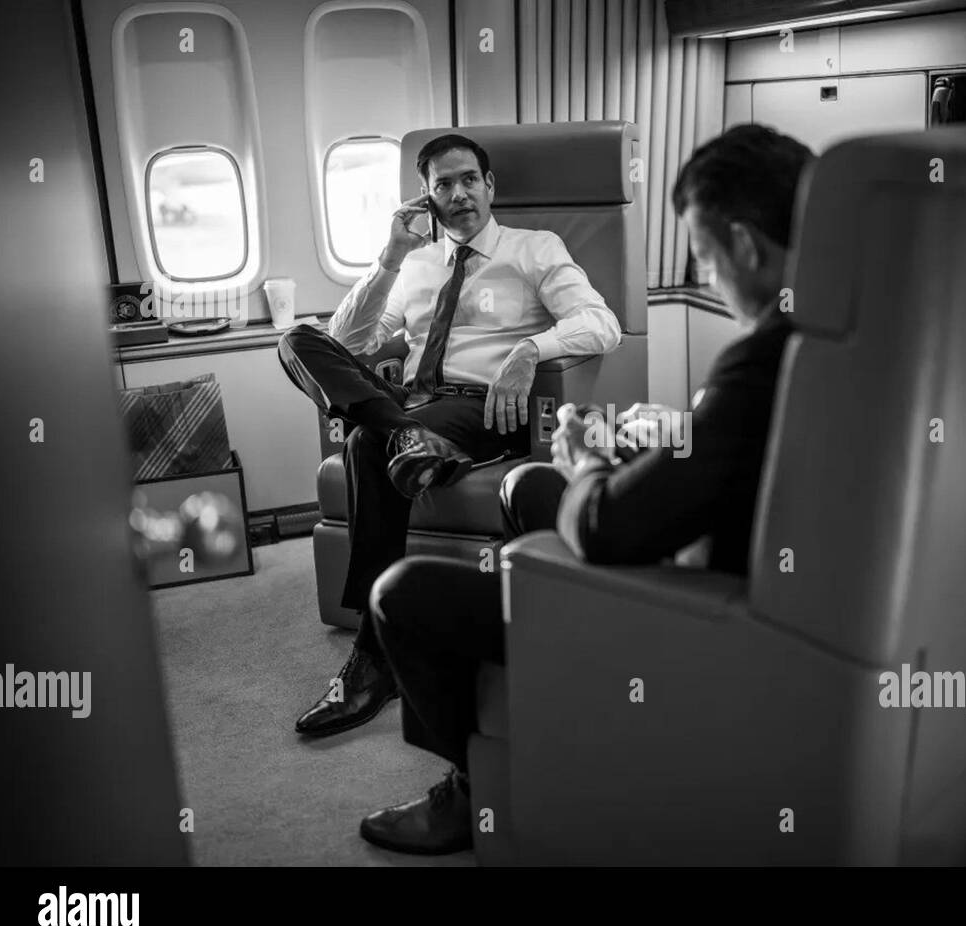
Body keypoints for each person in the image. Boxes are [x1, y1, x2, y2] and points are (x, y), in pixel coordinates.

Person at [356, 123, 816, 855]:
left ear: (747, 247)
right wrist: (676, 427)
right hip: (721, 543)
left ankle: (472, 789)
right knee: (530, 484)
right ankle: (537, 640)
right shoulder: (830, 336)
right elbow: (749, 447)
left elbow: (605, 528)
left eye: (700, 251)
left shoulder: (759, 363)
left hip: (691, 609)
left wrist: (586, 456)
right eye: (441, 184)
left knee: (403, 593)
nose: (704, 269)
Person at [277, 134, 621, 738]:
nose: (458, 193)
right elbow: (348, 343)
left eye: (468, 180)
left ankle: (374, 655)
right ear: (426, 197)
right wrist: (387, 259)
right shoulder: (413, 264)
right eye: (442, 184)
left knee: (364, 442)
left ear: (490, 186)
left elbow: (603, 324)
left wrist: (529, 347)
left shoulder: (535, 249)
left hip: (482, 409)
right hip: (413, 405)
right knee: (297, 341)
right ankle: (406, 435)